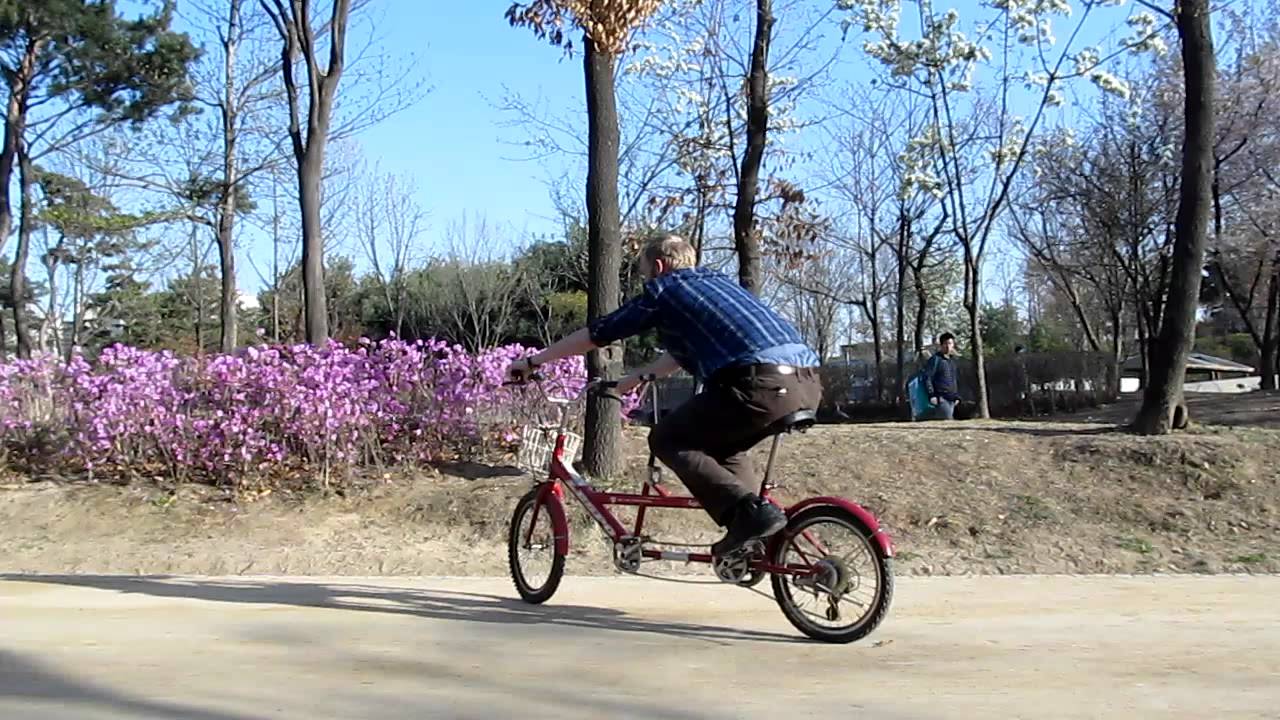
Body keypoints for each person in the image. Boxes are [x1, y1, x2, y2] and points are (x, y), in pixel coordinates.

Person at [506, 234, 823, 557]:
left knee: (667, 438)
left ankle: (749, 517)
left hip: (758, 385)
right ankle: (756, 539)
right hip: (807, 384)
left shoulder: (665, 290)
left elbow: (599, 333)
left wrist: (533, 362)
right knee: (724, 448)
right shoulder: (716, 285)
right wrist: (630, 381)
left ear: (658, 267)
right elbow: (677, 356)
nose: (646, 281)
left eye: (645, 274)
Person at [923, 332, 961, 420]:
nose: (948, 346)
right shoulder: (935, 360)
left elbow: (954, 380)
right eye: (945, 344)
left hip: (952, 399)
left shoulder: (952, 361)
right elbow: (928, 378)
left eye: (950, 343)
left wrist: (956, 396)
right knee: (946, 422)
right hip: (941, 398)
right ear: (941, 345)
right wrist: (932, 395)